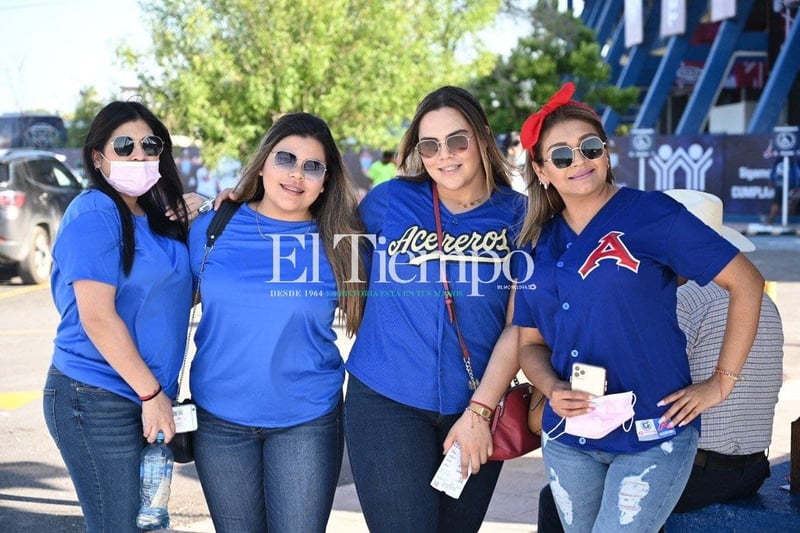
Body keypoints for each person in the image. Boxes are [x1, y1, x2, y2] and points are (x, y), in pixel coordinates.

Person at [512, 82, 764, 532]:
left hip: (654, 432)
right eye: (562, 155)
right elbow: (529, 341)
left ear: (606, 152)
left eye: (589, 147)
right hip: (571, 438)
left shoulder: (653, 215)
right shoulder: (536, 244)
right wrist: (551, 387)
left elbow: (746, 282)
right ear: (542, 169)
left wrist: (720, 383)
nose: (580, 162)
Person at [536, 188, 784, 530]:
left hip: (699, 464)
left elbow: (644, 387)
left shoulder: (679, 298)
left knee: (556, 497)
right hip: (754, 466)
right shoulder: (762, 303)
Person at [343, 86, 528, 532]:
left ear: (483, 137)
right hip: (386, 399)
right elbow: (325, 239)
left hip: (478, 406)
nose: (444, 155)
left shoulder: (520, 216)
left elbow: (521, 328)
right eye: (430, 145)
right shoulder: (390, 201)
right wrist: (240, 200)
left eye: (457, 141)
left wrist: (480, 413)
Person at [186, 112, 367, 532]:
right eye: (285, 159)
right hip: (219, 420)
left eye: (312, 166)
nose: (296, 175)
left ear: (326, 179)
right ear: (263, 161)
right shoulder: (211, 229)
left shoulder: (343, 245)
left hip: (306, 422)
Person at [43, 101, 192, 532]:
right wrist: (151, 395)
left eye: (150, 145)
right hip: (96, 397)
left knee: (143, 525)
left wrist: (198, 208)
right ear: (97, 156)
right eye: (124, 146)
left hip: (144, 397)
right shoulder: (96, 211)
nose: (139, 155)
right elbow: (97, 317)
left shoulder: (152, 218)